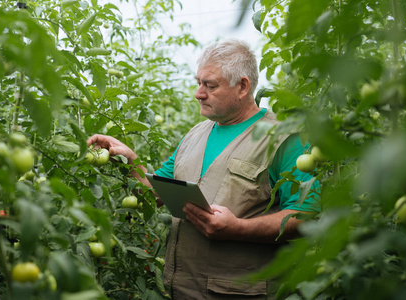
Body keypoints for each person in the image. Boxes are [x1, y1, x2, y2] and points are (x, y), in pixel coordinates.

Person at [87, 39, 320, 299]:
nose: (199, 93)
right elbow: (156, 194)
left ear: (242, 86)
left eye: (210, 85)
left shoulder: (283, 139)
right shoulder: (195, 135)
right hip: (183, 290)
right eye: (198, 82)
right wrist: (130, 161)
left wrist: (238, 229)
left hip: (241, 292)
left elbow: (305, 216)